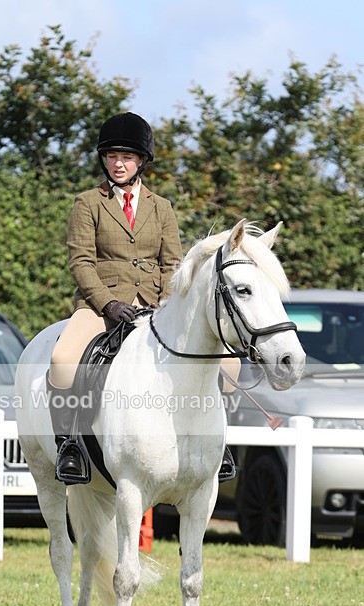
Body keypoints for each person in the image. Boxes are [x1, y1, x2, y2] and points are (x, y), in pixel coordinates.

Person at [47, 111, 236, 484]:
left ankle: (219, 444)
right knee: (62, 359)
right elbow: (81, 261)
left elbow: (174, 264)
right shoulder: (87, 203)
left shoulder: (161, 207)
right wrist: (108, 303)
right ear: (104, 159)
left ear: (141, 162)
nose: (119, 163)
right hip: (102, 306)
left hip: (156, 306)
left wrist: (166, 304)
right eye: (113, 156)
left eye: (127, 157)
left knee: (229, 366)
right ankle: (69, 444)